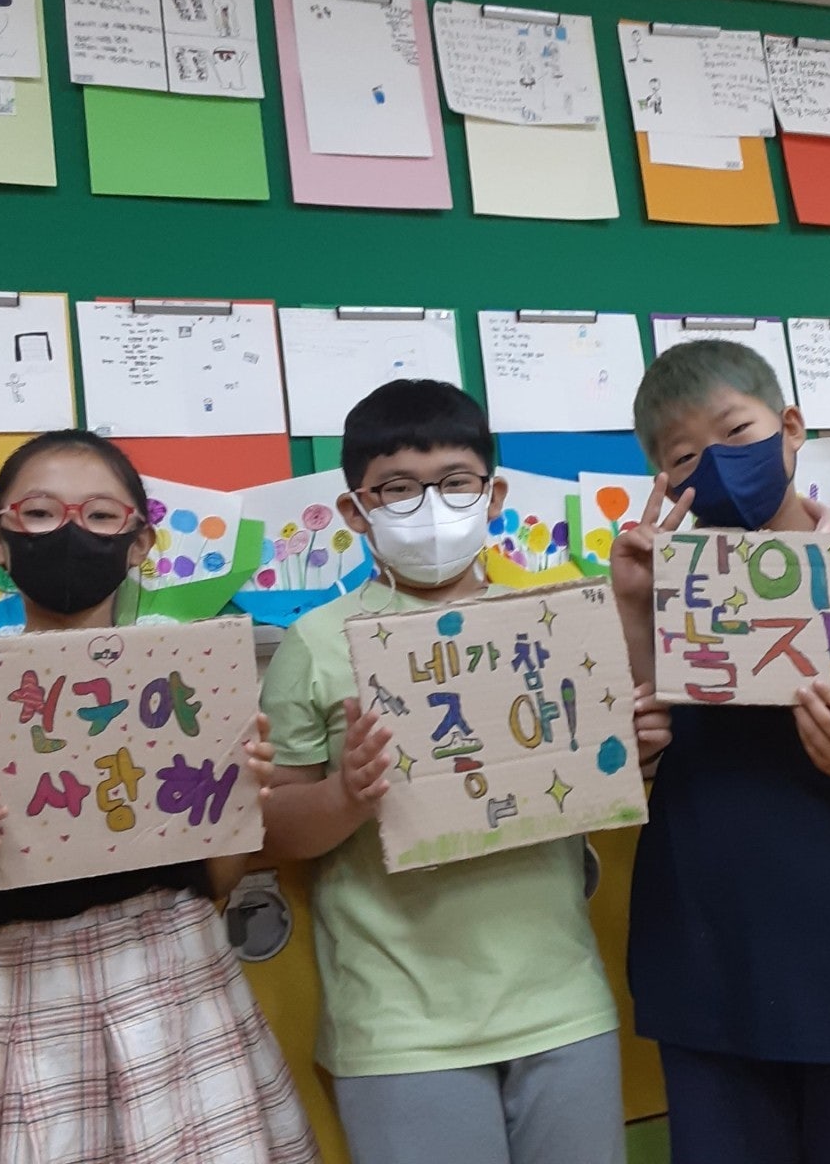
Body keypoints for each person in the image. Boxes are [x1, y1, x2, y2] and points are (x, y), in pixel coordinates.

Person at [0, 429, 318, 1164]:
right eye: (40, 513)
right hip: (18, 1014)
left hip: (183, 995)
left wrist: (240, 801)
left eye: (102, 515)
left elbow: (213, 885)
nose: (71, 533)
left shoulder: (186, 687)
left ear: (139, 544)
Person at [259, 379, 625, 1164]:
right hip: (400, 1025)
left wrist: (631, 746)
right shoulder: (318, 643)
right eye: (398, 489)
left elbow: (597, 770)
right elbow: (275, 829)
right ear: (356, 510)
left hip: (563, 1004)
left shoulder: (552, 625)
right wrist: (346, 794)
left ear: (494, 495)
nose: (431, 507)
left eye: (456, 482)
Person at [610, 340, 830, 1164]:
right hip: (703, 952)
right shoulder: (657, 586)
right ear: (663, 480)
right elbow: (625, 758)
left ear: (791, 427)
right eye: (685, 457)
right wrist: (633, 608)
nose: (718, 464)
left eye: (737, 433)